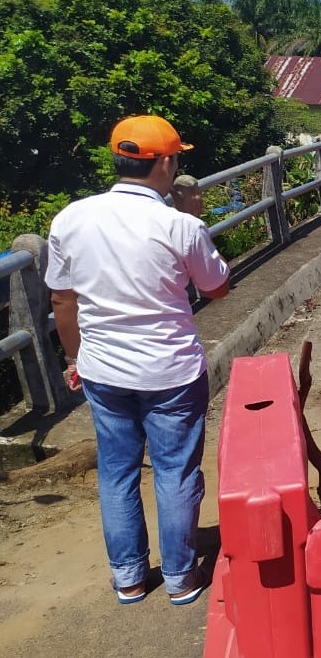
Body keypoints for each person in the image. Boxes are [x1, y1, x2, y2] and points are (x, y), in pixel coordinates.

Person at [45, 115, 231, 606]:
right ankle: (179, 578)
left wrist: (74, 358)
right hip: (170, 370)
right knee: (175, 471)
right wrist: (195, 216)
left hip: (103, 368)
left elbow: (62, 301)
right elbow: (217, 289)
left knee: (118, 470)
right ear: (166, 162)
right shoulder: (179, 223)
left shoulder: (70, 217)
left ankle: (128, 578)